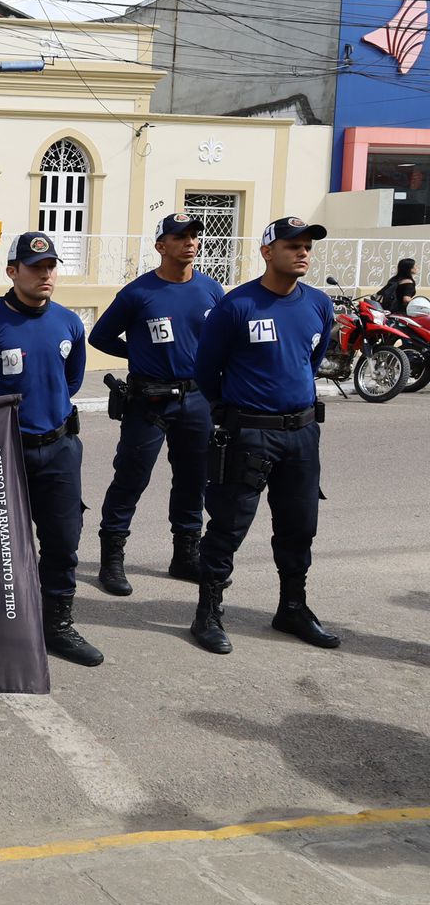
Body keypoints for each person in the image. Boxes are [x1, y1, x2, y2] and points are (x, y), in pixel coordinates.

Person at [0, 232, 101, 668]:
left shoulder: (70, 323)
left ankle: (58, 623)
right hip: (1, 453)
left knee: (62, 540)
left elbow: (69, 382)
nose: (45, 274)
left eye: (51, 266)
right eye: (35, 267)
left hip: (58, 449)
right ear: (13, 271)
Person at [188, 216, 338, 656]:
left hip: (302, 433)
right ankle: (208, 613)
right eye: (293, 245)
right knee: (228, 525)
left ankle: (292, 607)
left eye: (308, 245)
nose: (303, 252)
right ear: (268, 252)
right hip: (249, 433)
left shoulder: (318, 304)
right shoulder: (237, 306)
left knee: (299, 525)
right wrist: (234, 413)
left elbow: (311, 361)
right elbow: (205, 370)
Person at [89, 213, 224, 597]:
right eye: (180, 236)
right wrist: (140, 355)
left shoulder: (211, 290)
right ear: (161, 245)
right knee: (132, 476)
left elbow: (221, 342)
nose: (190, 242)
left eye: (195, 236)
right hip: (149, 399)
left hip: (196, 399)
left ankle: (185, 555)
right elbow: (100, 336)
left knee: (193, 478)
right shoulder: (138, 293)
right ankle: (111, 559)